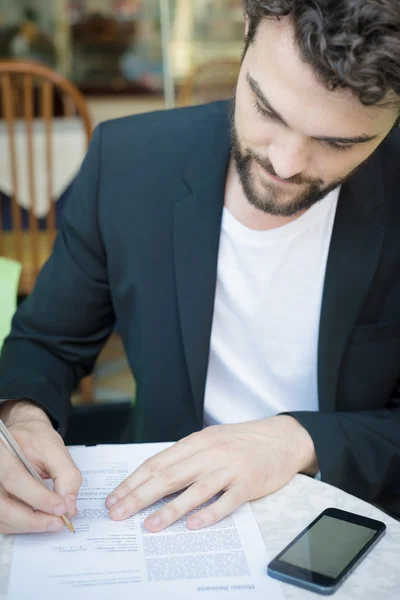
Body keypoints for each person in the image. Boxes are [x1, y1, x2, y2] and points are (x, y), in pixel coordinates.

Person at [1, 0, 400, 536]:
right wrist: (20, 416)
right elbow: (45, 342)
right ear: (246, 27)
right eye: (267, 110)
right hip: (162, 521)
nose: (284, 165)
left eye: (337, 143)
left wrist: (295, 441)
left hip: (348, 522)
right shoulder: (129, 163)